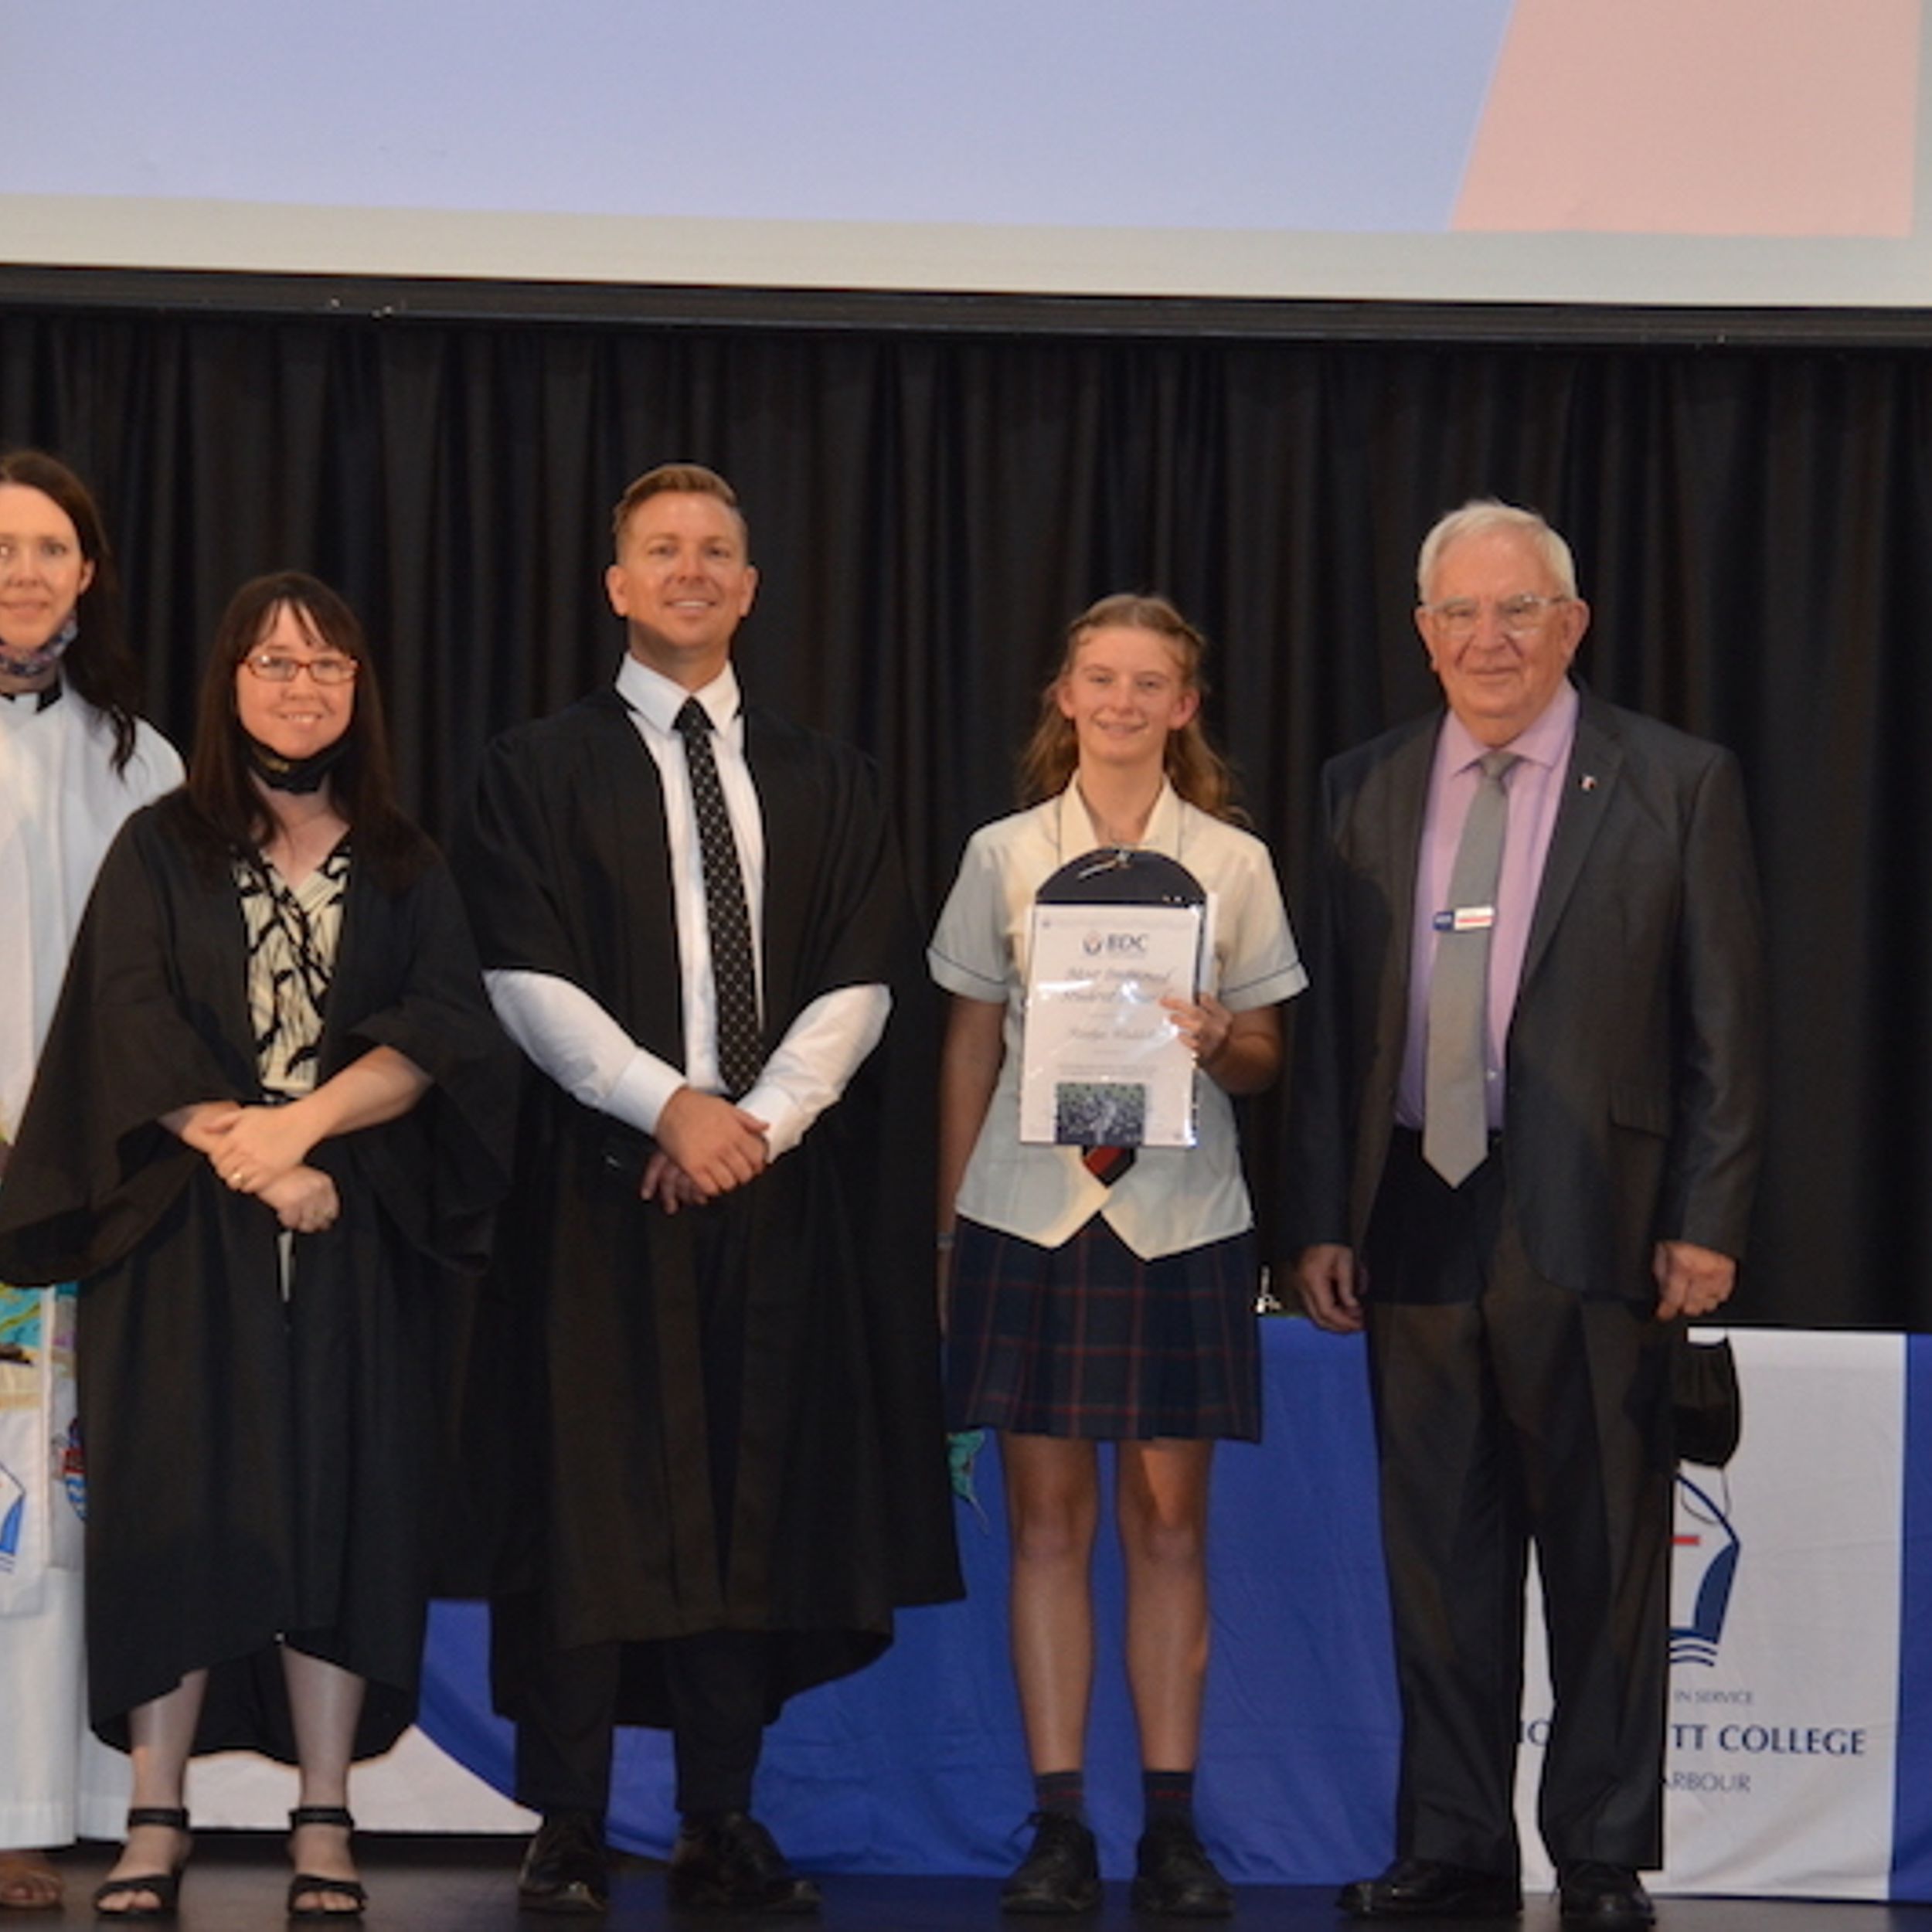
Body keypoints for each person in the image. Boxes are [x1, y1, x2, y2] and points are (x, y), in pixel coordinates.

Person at [453, 462, 960, 1917]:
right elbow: (519, 973)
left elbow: (862, 978)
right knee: (584, 1506)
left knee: (751, 1497)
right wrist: (669, 1106)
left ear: (749, 589)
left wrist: (755, 1126)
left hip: (773, 1198)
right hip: (592, 1192)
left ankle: (719, 1815)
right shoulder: (531, 770)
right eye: (663, 550)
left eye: (717, 551)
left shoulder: (829, 777)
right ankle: (565, 1819)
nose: (691, 570)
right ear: (617, 585)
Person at [0, 572, 512, 1918]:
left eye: (327, 664)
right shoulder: (160, 845)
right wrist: (255, 1160)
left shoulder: (403, 859)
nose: (302, 687)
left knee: (347, 1514)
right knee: (173, 1511)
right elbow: (126, 1018)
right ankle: (155, 1816)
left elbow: (440, 1030)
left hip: (357, 1231)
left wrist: (308, 1135)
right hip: (180, 1235)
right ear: (230, 682)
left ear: (360, 689)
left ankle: (324, 1818)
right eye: (275, 663)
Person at [1286, 502, 1764, 1927]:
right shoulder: (1361, 786)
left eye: (1518, 610)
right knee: (1440, 1555)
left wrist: (1709, 1214)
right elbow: (1331, 1034)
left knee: (1607, 1547)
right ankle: (1453, 1841)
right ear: (1424, 634)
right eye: (1460, 613)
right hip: (1412, 1211)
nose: (1488, 638)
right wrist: (1319, 1217)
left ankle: (1602, 1851)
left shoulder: (1675, 781)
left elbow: (1728, 1024)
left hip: (1602, 1217)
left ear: (1573, 625)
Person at [930, 594, 1304, 1918]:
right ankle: (1057, 1826)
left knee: (1170, 1523)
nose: (1124, 702)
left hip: (1180, 1219)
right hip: (1028, 1215)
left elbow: (1266, 1058)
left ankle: (1172, 1827)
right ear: (1066, 695)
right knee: (1045, 1524)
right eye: (1102, 678)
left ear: (1184, 707)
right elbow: (968, 1047)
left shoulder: (1233, 863)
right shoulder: (1003, 855)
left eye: (1151, 684)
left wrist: (1221, 1039)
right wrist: (948, 1230)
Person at [0, 451, 181, 1913]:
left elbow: (173, 984)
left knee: (45, 1508)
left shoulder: (141, 761)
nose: (23, 571)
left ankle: (26, 1804)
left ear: (90, 573)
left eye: (50, 548)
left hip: (82, 1192)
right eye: (1, 546)